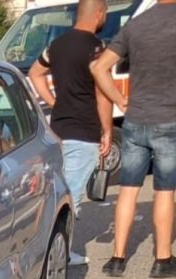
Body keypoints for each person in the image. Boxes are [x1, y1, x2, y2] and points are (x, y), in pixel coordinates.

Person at [91, 0, 176, 278]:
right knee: (164, 191)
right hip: (171, 119)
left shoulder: (136, 24)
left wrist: (119, 99)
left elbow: (100, 68)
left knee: (128, 189)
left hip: (136, 119)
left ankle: (117, 258)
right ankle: (162, 260)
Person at [28, 0, 112, 265]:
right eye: (105, 13)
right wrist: (107, 130)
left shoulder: (57, 46)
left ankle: (54, 249)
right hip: (85, 130)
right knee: (72, 194)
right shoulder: (98, 49)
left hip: (59, 129)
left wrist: (54, 102)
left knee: (57, 190)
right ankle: (60, 254)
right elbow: (103, 95)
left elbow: (35, 73)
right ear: (98, 14)